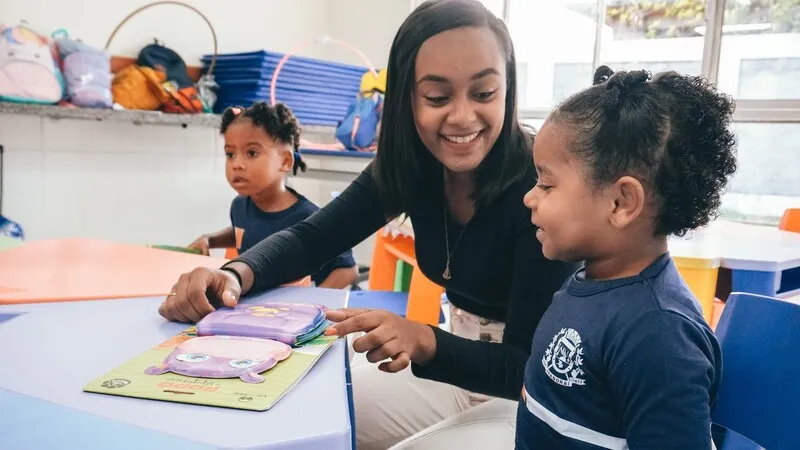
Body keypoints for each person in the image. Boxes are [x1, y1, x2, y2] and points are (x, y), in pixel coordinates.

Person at [159, 0, 576, 448]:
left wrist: (424, 341)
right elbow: (313, 237)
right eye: (437, 97)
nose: (461, 116)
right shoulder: (412, 167)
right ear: (406, 100)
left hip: (531, 397)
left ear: (508, 89)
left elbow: (527, 366)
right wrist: (233, 275)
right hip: (457, 371)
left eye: (484, 93)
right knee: (300, 418)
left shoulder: (538, 190)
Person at [516, 66, 737, 449]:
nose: (529, 197)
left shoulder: (659, 336)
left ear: (621, 203)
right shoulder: (590, 281)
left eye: (546, 184)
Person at [187, 101, 358, 290]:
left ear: (285, 161)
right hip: (260, 310)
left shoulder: (310, 217)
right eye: (230, 154)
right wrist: (210, 240)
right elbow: (243, 231)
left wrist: (310, 306)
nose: (237, 164)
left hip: (297, 314)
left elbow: (347, 271)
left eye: (251, 153)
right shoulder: (240, 206)